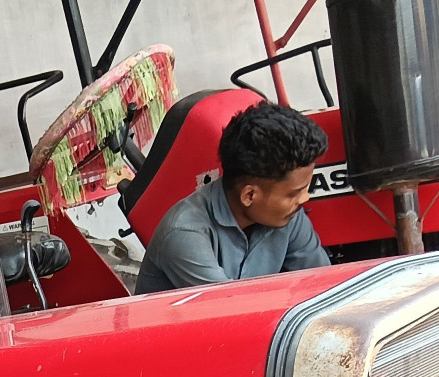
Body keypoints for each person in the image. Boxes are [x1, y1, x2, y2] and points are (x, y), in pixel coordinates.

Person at [135, 101, 332, 294]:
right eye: (294, 193)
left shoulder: (288, 215)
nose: (304, 199)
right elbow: (231, 311)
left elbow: (323, 285)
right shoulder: (185, 233)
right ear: (249, 195)